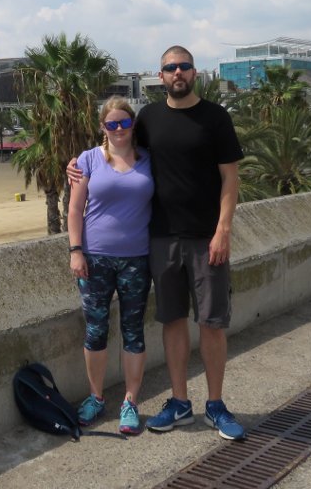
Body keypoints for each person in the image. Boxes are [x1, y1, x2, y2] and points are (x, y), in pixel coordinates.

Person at [68, 45, 244, 440]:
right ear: (160, 76)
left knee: (213, 323)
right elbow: (120, 146)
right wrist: (76, 166)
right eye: (169, 68)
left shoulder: (215, 118)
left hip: (205, 239)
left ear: (194, 72)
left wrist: (223, 230)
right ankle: (179, 402)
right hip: (161, 241)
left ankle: (215, 405)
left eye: (183, 66)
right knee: (173, 321)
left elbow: (231, 180)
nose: (177, 73)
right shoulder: (147, 118)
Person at [68, 97, 154, 434]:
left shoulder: (149, 159)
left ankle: (131, 401)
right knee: (96, 329)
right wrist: (76, 250)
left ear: (133, 125)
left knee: (133, 330)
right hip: (94, 258)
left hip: (137, 259)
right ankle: (96, 397)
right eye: (111, 124)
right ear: (103, 128)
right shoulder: (88, 160)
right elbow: (75, 210)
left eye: (124, 123)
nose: (118, 130)